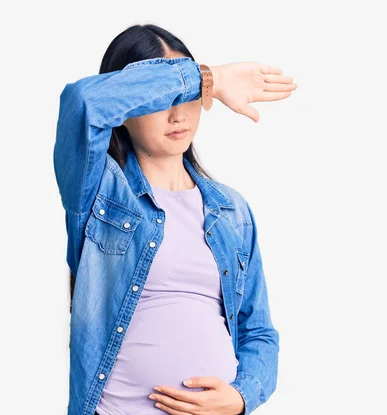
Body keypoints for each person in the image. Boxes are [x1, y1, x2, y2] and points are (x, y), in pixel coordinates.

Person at [53, 23, 297, 415]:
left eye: (187, 97)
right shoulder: (97, 192)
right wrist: (205, 78)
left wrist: (241, 396)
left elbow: (259, 332)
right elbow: (83, 101)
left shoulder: (231, 211)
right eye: (163, 95)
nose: (177, 112)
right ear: (126, 108)